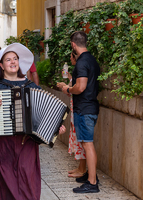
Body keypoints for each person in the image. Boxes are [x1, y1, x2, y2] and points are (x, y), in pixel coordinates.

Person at [0, 43, 66, 199]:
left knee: (27, 179)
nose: (12, 62)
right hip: (1, 142)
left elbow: (44, 114)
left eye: (15, 59)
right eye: (8, 60)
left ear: (19, 63)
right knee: (3, 180)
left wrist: (56, 127)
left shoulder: (31, 86)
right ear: (2, 66)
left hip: (27, 142)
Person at [62, 31, 100, 193]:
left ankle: (92, 183)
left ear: (73, 45)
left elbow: (81, 87)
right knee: (86, 143)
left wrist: (67, 89)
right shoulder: (92, 60)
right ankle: (90, 176)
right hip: (89, 107)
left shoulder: (82, 62)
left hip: (84, 109)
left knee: (87, 144)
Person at [57, 50, 87, 178]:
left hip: (79, 108)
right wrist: (68, 78)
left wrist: (65, 87)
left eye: (71, 56)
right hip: (75, 107)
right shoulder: (77, 71)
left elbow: (75, 89)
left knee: (81, 139)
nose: (70, 59)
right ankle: (80, 167)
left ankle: (83, 169)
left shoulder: (81, 70)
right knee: (77, 138)